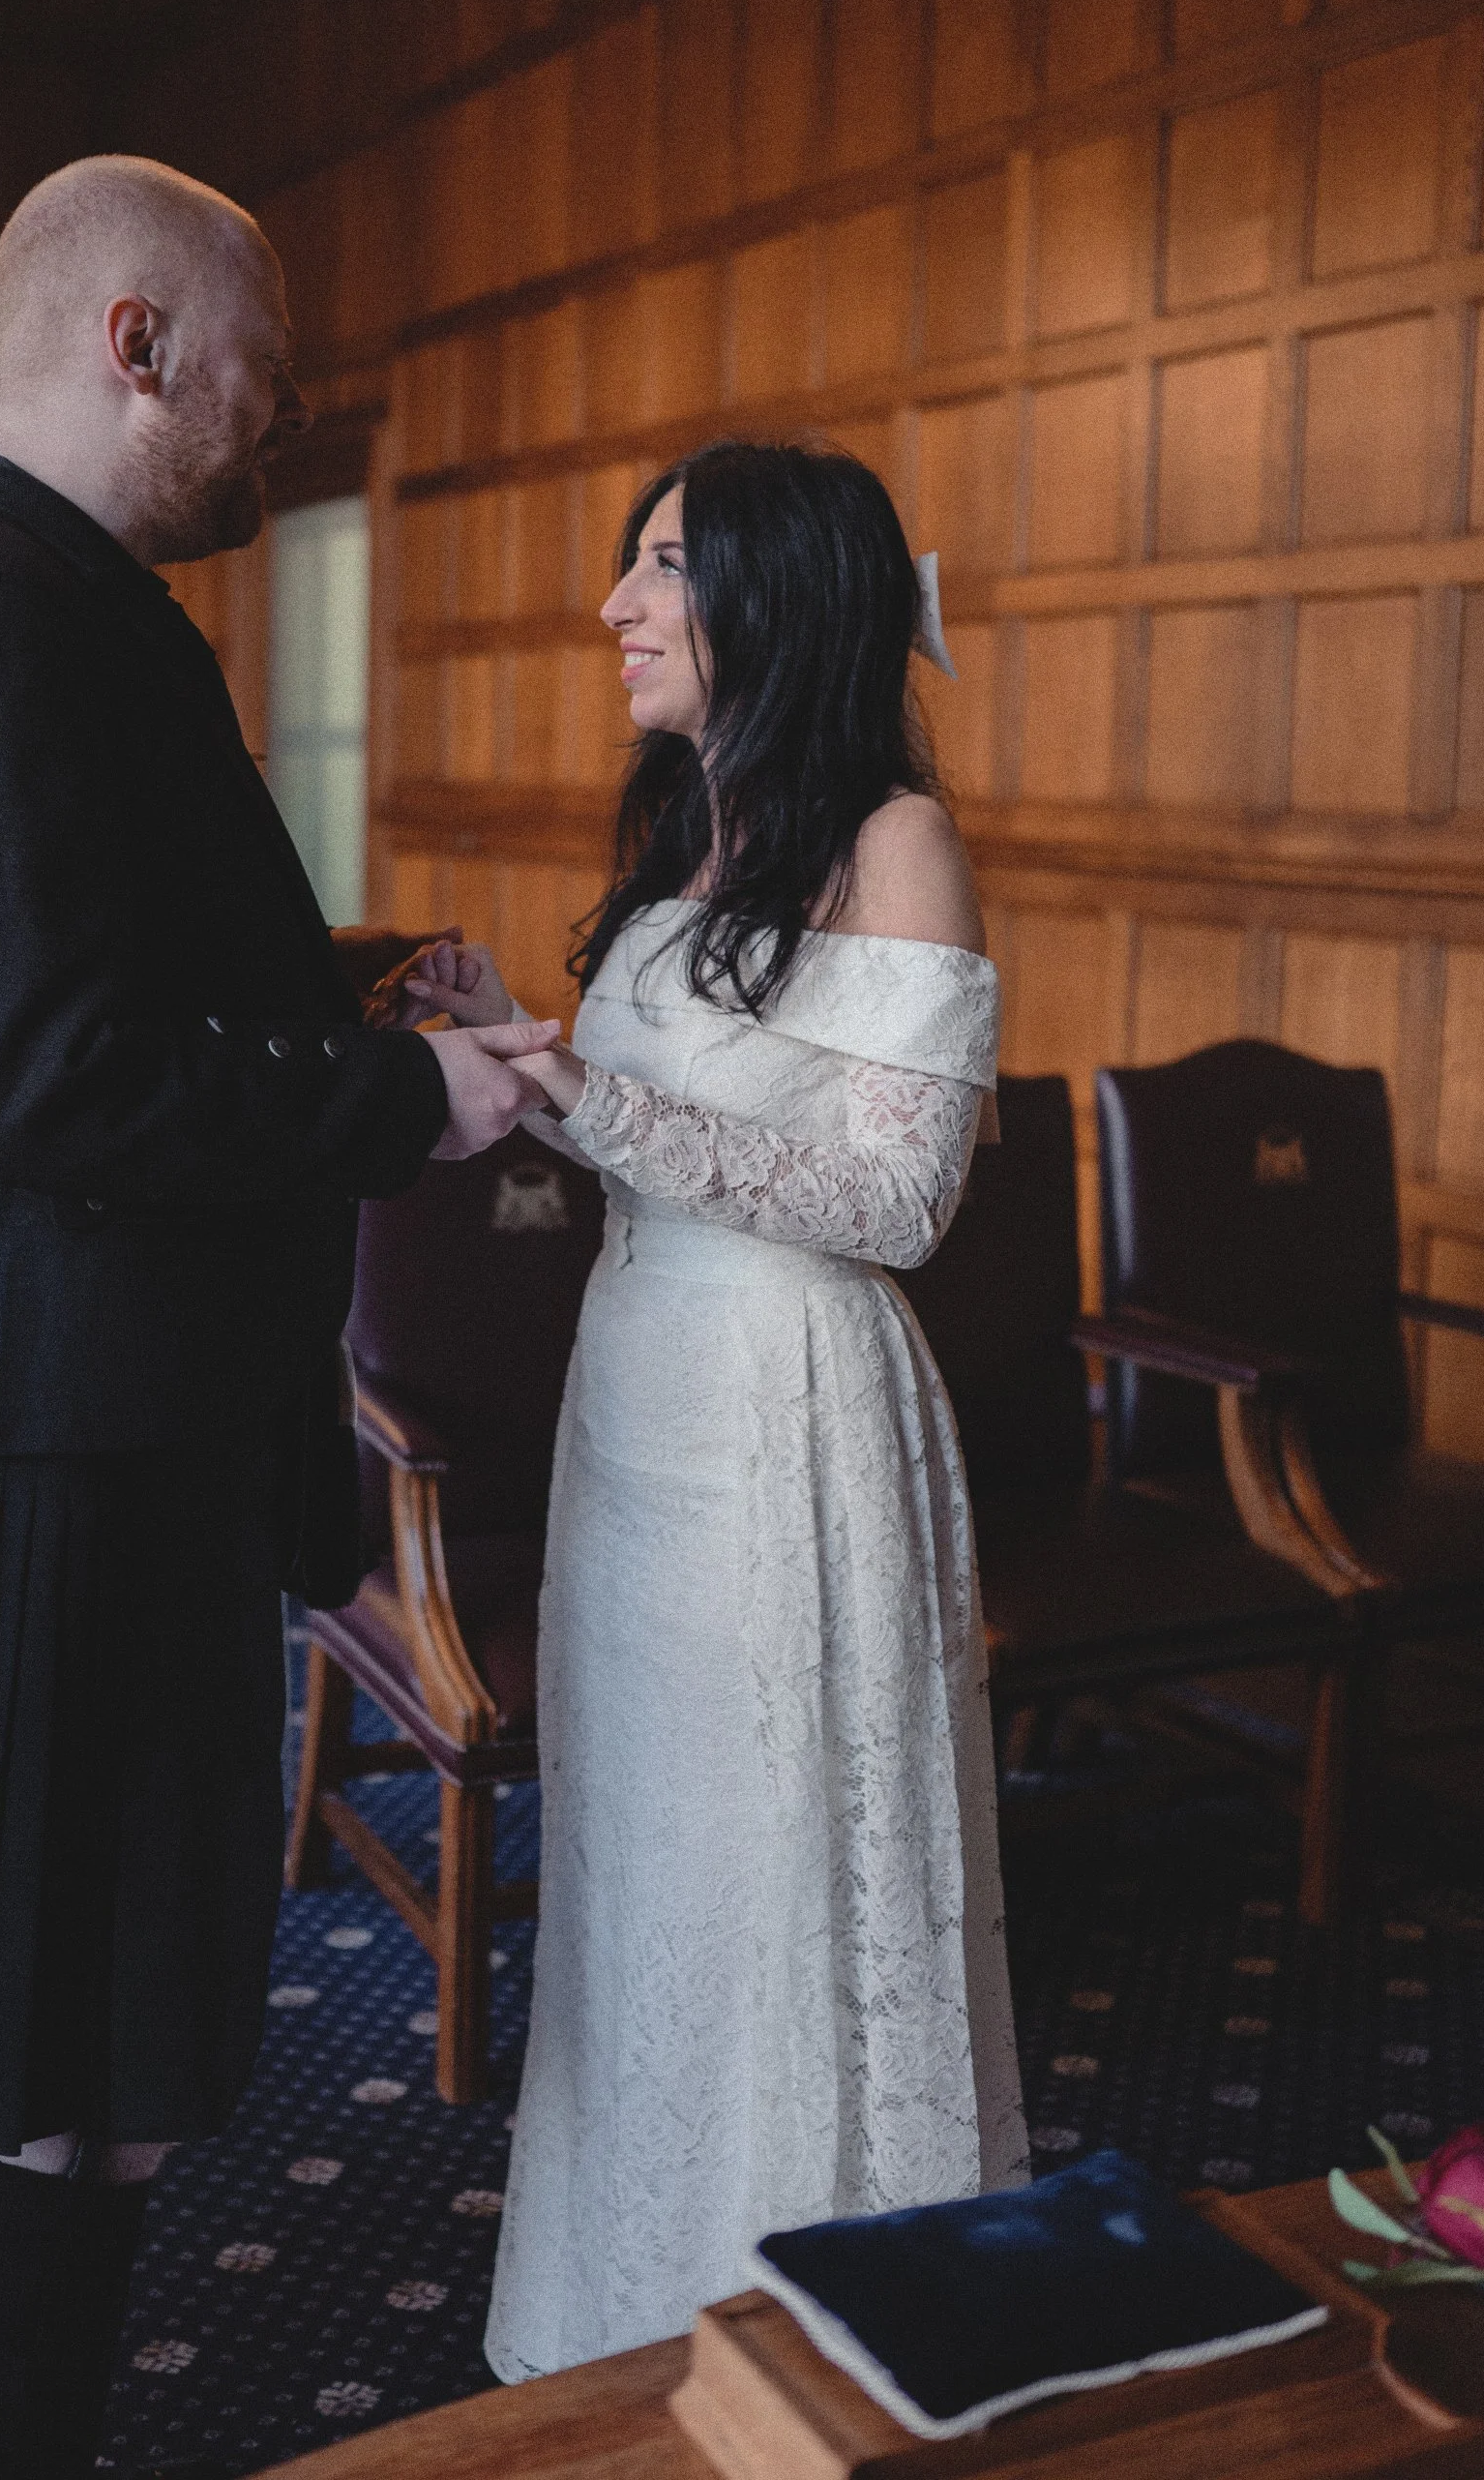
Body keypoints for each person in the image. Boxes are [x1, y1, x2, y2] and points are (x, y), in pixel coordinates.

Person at [0, 154, 557, 2479]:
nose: (271, 430)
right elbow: (44, 1074)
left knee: (23, 2067)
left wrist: (347, 993)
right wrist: (402, 1100)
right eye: (260, 381)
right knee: (39, 2085)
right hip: (34, 1472)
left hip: (69, 1436)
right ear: (136, 340)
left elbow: (99, 972)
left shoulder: (54, 599)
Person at [403, 439, 1029, 2379]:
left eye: (659, 567)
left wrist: (587, 1095)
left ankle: (803, 2334)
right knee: (649, 1878)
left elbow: (894, 1205)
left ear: (775, 595)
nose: (618, 607)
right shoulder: (695, 831)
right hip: (641, 1404)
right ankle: (625, 2311)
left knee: (779, 1874)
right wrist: (521, 1030)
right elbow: (697, 1140)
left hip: (790, 1421)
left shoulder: (895, 838)